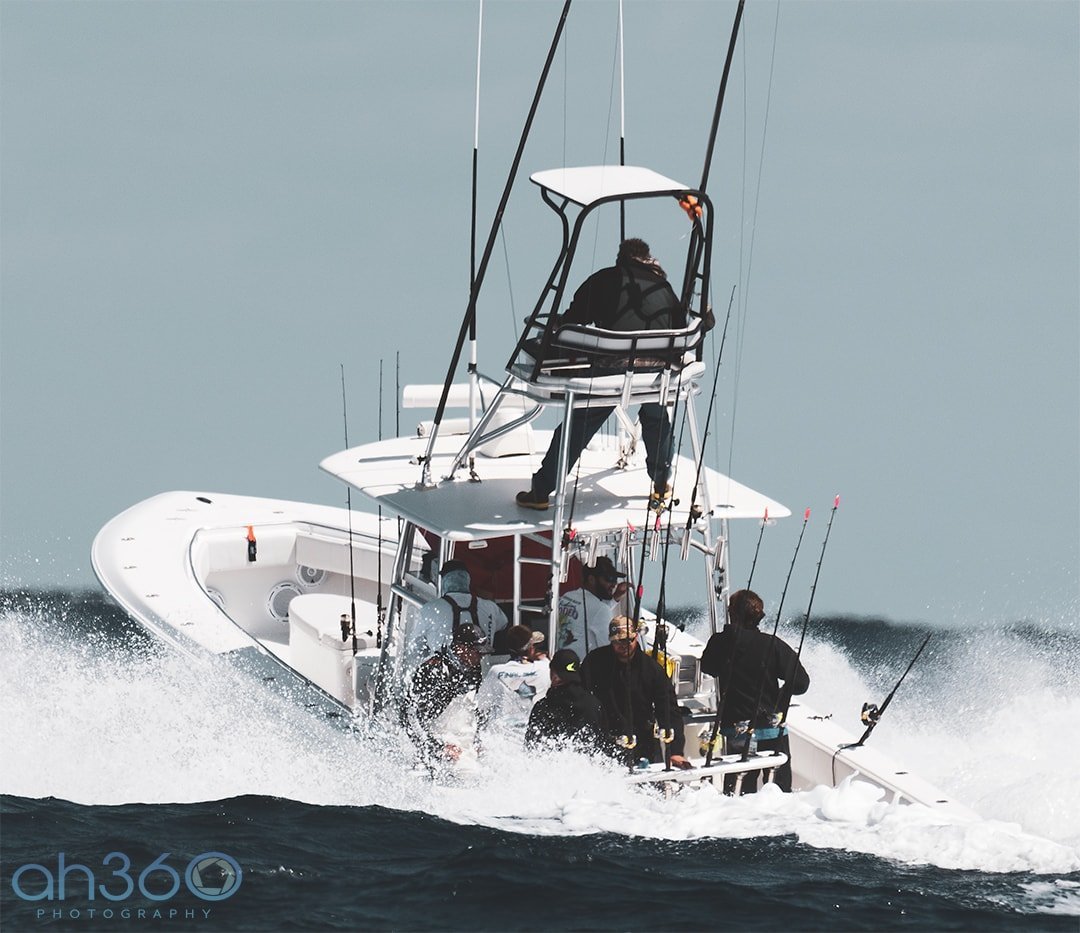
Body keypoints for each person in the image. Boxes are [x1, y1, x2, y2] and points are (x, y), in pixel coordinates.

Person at [515, 238, 686, 512]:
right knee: (656, 417)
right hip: (655, 376)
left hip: (612, 373)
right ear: (648, 258)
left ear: (621, 258)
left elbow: (572, 321)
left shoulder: (606, 279)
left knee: (579, 423)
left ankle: (541, 491)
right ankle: (661, 484)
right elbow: (680, 329)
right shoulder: (664, 288)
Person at [699, 589, 810, 793]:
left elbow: (708, 667)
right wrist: (782, 696)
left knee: (739, 792)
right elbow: (801, 683)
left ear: (732, 614)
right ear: (759, 616)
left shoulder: (719, 642)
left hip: (736, 731)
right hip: (771, 729)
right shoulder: (772, 645)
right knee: (778, 793)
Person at [580, 616, 692, 770]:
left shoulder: (652, 669)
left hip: (644, 744)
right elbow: (581, 695)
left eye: (628, 640)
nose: (623, 645)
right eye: (618, 641)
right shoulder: (594, 661)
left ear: (636, 637)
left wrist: (675, 751)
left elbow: (669, 710)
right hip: (605, 743)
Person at [406, 622, 491, 766]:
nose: (481, 657)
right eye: (478, 652)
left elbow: (470, 709)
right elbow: (411, 717)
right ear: (461, 648)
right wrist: (439, 747)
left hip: (455, 736)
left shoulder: (474, 668)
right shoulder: (433, 669)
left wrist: (477, 740)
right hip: (428, 737)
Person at [404, 559, 507, 676]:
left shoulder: (430, 609)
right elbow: (503, 624)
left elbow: (414, 649)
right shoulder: (490, 607)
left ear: (443, 581)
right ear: (468, 580)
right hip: (484, 680)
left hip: (443, 678)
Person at [476, 625, 551, 741]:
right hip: (533, 740)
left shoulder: (496, 672)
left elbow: (481, 707)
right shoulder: (545, 668)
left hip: (501, 741)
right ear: (531, 648)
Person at [526, 648, 608, 752]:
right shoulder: (594, 705)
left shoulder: (543, 707)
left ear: (554, 675)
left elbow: (531, 748)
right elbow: (603, 744)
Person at [555, 556, 629, 654]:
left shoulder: (567, 596)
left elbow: (591, 614)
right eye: (609, 579)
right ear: (591, 579)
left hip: (559, 661)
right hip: (581, 667)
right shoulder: (600, 610)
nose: (614, 584)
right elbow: (609, 651)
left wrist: (615, 598)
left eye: (615, 579)